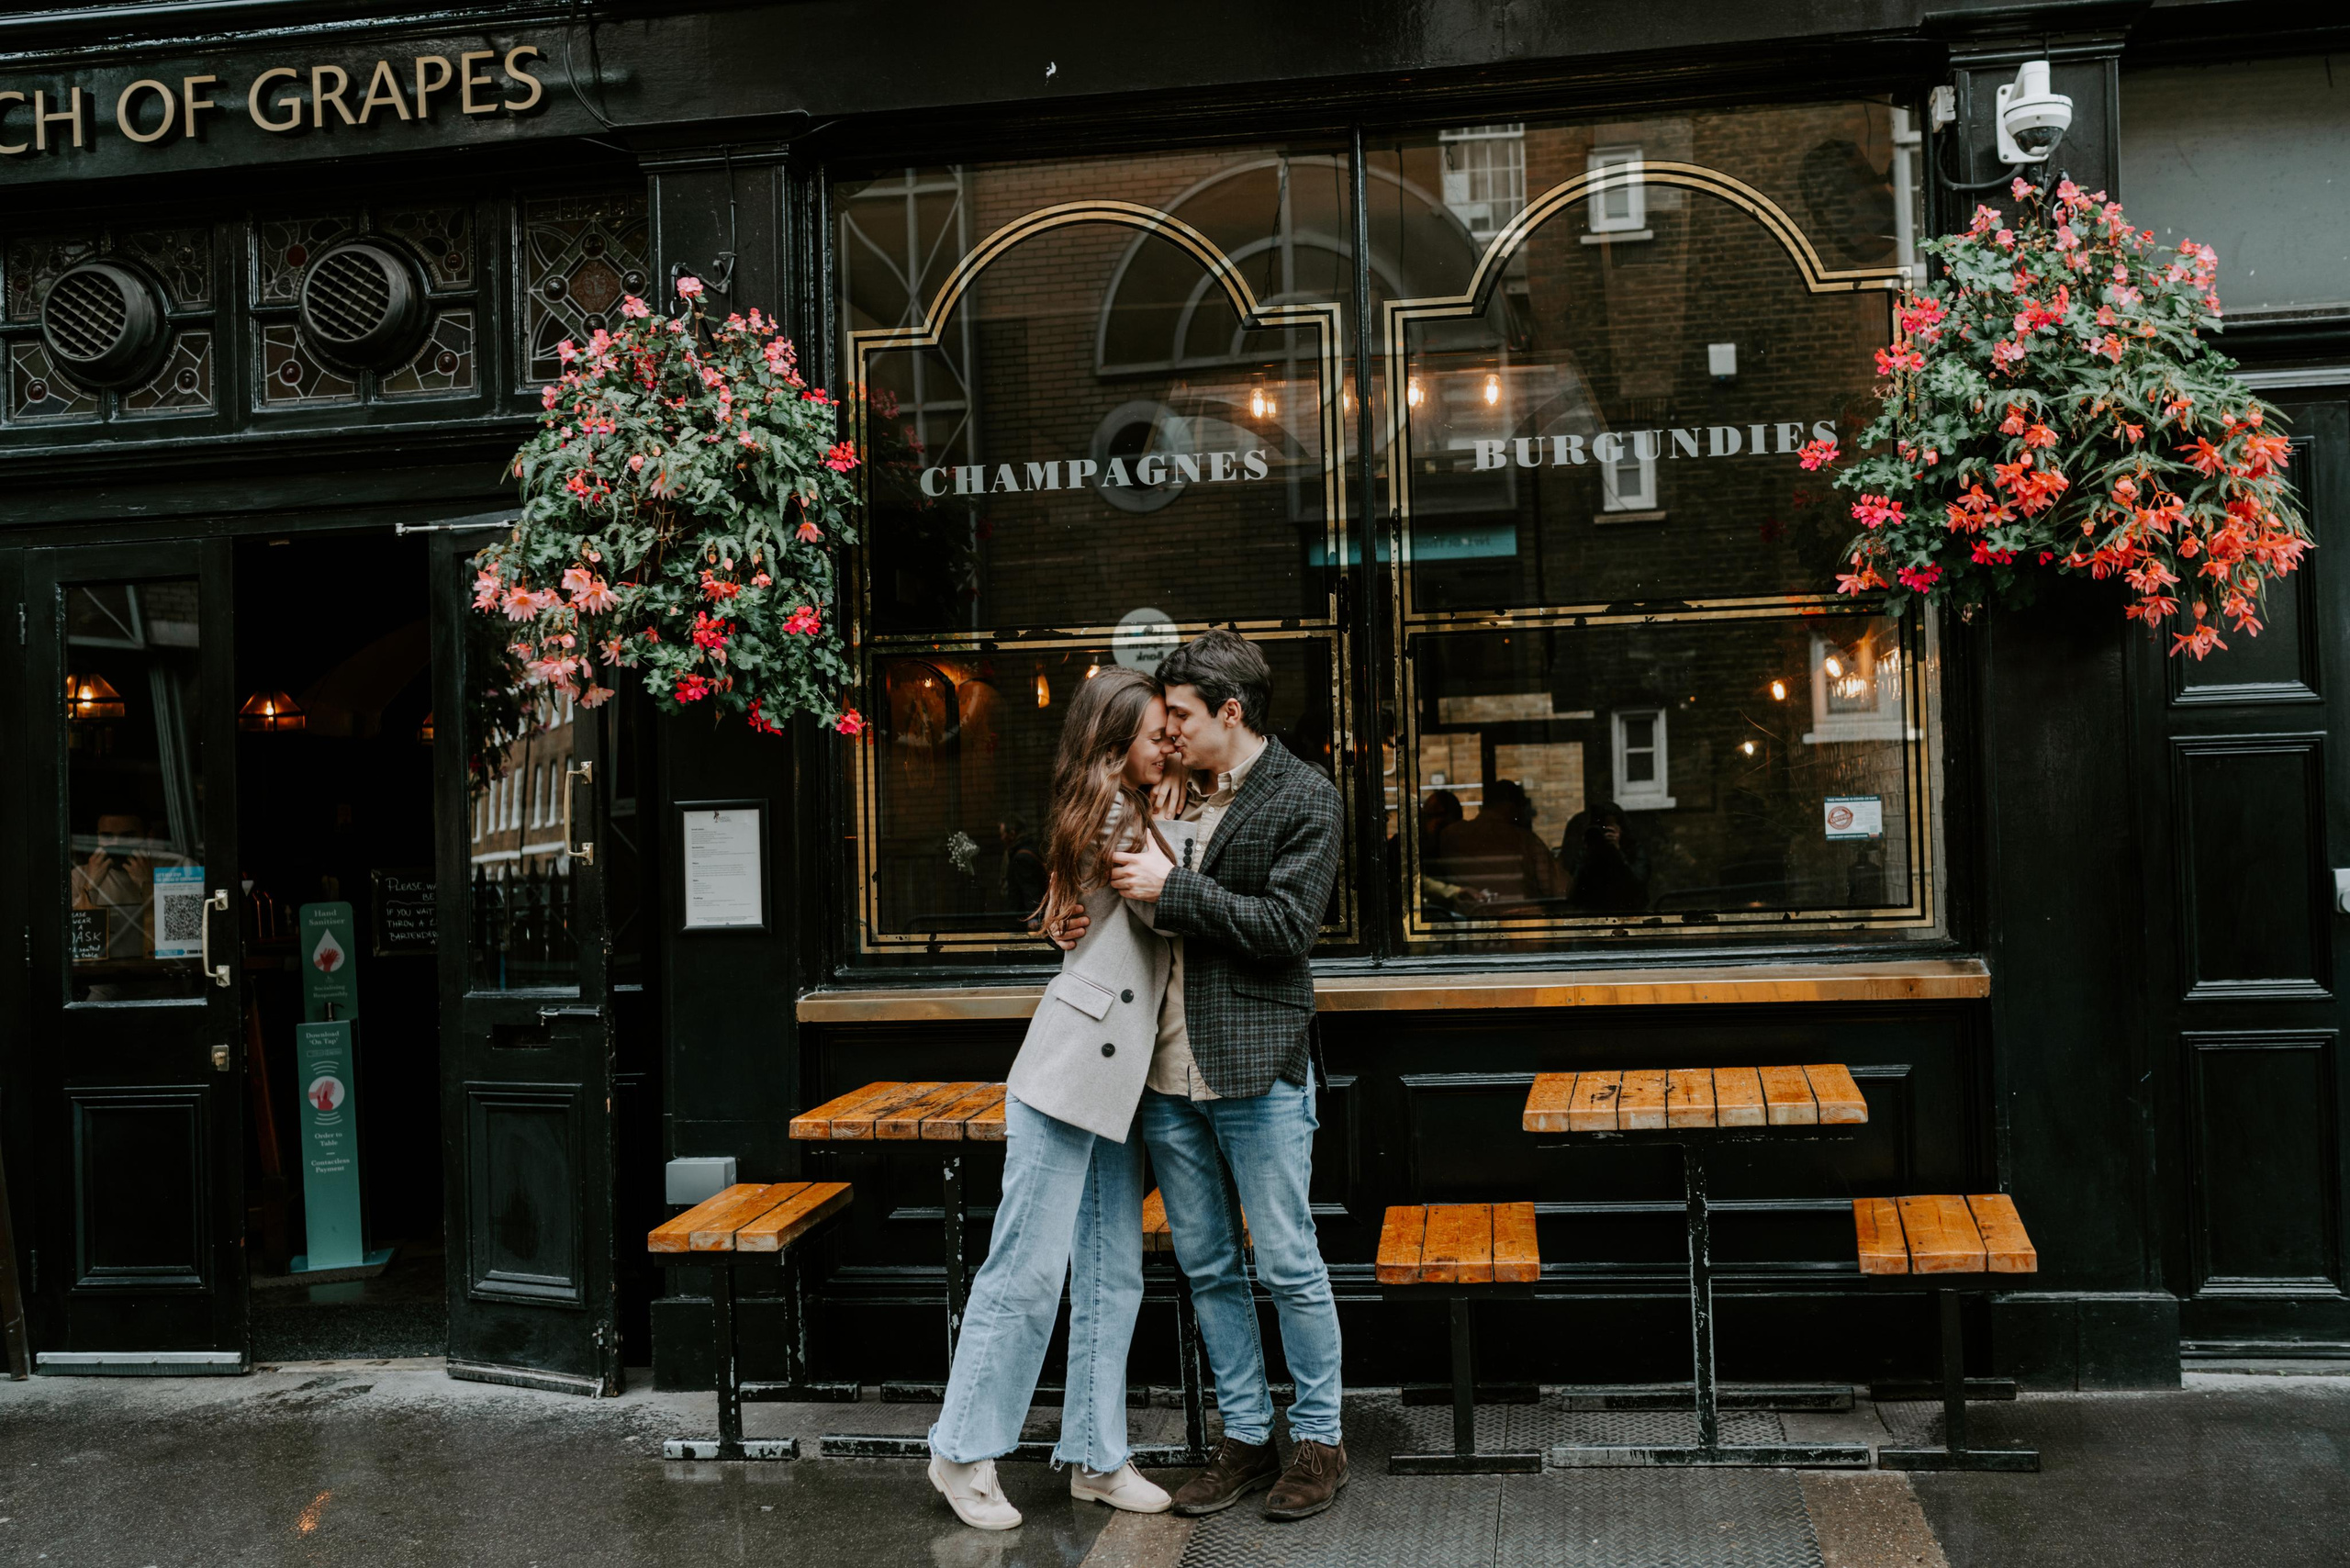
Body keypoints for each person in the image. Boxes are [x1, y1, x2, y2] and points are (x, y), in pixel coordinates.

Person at [1076, 630, 1351, 1522]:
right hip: (1163, 1074)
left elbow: (1283, 931)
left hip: (1256, 1070)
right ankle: (1243, 1434)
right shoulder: (1162, 792)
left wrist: (1170, 885)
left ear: (1228, 713)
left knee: (1287, 1261)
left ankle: (1318, 1441)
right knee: (1204, 1265)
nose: (1168, 732)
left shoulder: (1304, 795)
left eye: (1182, 717)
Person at [927, 667, 1180, 1531]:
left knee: (1112, 1275)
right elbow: (1170, 908)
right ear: (1117, 746)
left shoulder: (1126, 806)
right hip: (1072, 1073)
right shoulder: (1120, 815)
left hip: (1115, 1078)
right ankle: (960, 1450)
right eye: (1155, 735)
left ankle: (1097, 1458)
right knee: (1026, 1273)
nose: (1168, 744)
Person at [1424, 778, 1568, 916]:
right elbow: (1559, 889)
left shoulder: (1449, 835)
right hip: (1523, 925)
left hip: (1474, 927)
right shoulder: (1527, 840)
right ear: (1513, 807)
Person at [1561, 800, 1650, 913]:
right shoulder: (1586, 852)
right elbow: (1574, 894)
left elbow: (1638, 885)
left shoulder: (1633, 849)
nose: (1606, 833)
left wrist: (1618, 852)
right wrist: (1589, 852)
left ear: (1620, 828)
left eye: (1609, 828)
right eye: (1602, 828)